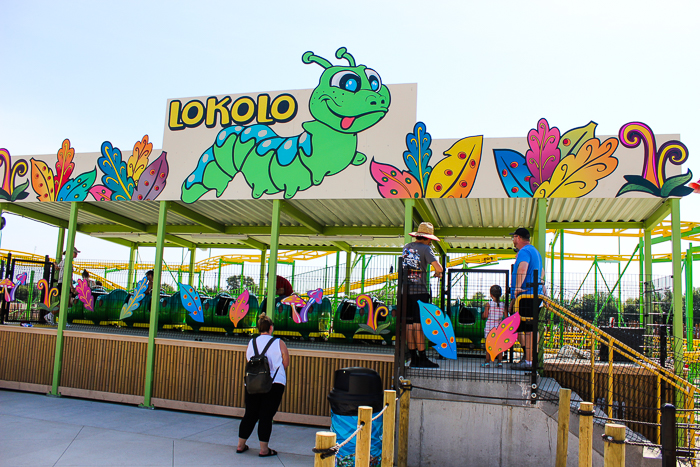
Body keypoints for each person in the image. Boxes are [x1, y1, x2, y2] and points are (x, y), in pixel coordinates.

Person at [237, 314, 289, 457]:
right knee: (266, 416)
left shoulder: (252, 342)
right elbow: (285, 362)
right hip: (274, 383)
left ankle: (240, 445)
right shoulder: (279, 342)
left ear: (259, 328)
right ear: (271, 328)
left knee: (250, 414)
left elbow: (249, 360)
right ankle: (264, 449)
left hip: (253, 383)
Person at [401, 222, 444, 368]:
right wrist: (438, 272)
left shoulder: (407, 247)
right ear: (429, 238)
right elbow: (439, 268)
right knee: (418, 325)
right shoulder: (426, 249)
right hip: (420, 292)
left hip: (405, 292)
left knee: (408, 325)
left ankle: (413, 358)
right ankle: (423, 357)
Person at [509, 228, 543, 371]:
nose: (513, 240)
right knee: (529, 328)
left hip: (525, 296)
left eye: (513, 237)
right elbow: (541, 274)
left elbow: (522, 269)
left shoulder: (524, 251)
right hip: (535, 295)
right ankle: (530, 358)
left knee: (528, 329)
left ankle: (529, 361)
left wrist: (516, 288)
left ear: (518, 237)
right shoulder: (536, 252)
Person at [49, 246, 80, 324]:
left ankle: (58, 318)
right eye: (75, 253)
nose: (76, 254)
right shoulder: (68, 262)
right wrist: (72, 287)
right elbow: (68, 275)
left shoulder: (63, 261)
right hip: (65, 284)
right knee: (65, 303)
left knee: (66, 303)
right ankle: (53, 316)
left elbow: (57, 268)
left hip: (61, 283)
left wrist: (55, 265)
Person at [482, 285, 506, 368]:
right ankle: (499, 362)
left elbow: (485, 315)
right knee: (499, 345)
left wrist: (482, 315)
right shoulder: (503, 305)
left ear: (491, 294)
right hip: (499, 327)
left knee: (488, 345)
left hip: (489, 327)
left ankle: (487, 362)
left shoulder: (489, 304)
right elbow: (506, 317)